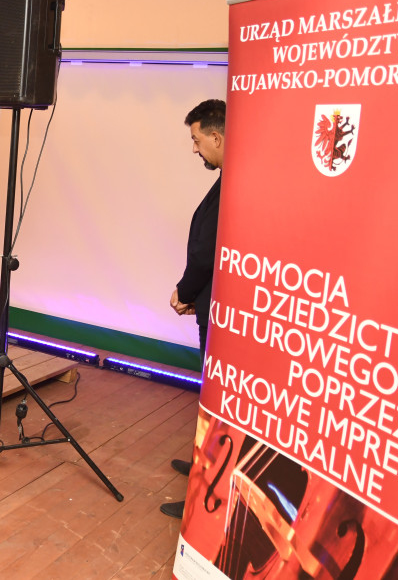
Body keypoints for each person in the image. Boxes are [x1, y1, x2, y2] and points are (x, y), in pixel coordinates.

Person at [161, 98, 225, 520]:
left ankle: (209, 490)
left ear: (216, 136)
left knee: (218, 401)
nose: (195, 148)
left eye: (197, 140)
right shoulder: (227, 178)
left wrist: (185, 292)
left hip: (220, 309)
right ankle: (206, 464)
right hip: (212, 302)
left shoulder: (236, 181)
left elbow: (207, 251)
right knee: (210, 396)